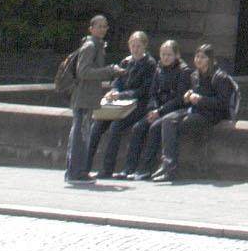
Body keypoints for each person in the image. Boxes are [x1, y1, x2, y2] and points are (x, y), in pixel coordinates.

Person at [150, 43, 238, 183]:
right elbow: (192, 94)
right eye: (197, 57)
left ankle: (170, 167)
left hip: (210, 115)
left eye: (202, 57)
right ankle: (166, 164)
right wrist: (188, 95)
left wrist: (201, 99)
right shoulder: (195, 75)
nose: (198, 60)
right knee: (167, 120)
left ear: (210, 59)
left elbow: (222, 103)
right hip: (194, 109)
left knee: (178, 126)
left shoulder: (220, 77)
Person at [62, 13, 119, 184]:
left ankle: (75, 171)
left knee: (80, 136)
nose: (102, 29)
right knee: (80, 136)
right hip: (83, 98)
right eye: (99, 26)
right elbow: (83, 72)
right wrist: (109, 70)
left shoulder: (97, 45)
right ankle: (76, 173)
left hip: (87, 98)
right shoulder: (90, 46)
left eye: (105, 26)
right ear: (91, 28)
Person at [94, 30, 157, 179]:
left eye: (138, 46)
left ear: (145, 47)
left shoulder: (150, 64)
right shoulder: (126, 62)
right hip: (120, 104)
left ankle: (108, 168)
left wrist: (121, 94)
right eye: (133, 46)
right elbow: (117, 82)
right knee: (97, 124)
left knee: (116, 126)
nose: (135, 49)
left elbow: (143, 90)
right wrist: (113, 91)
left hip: (138, 105)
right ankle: (85, 164)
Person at [123, 39, 189, 179]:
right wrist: (152, 109)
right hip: (157, 109)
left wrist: (159, 112)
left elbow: (179, 99)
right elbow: (152, 93)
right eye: (163, 54)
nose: (165, 58)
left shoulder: (183, 71)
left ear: (177, 55)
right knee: (138, 128)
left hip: (173, 110)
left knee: (154, 128)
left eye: (169, 55)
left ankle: (145, 169)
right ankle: (129, 168)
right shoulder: (159, 69)